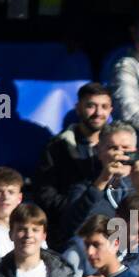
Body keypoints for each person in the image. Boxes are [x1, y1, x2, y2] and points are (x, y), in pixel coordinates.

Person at [34, 82, 114, 233]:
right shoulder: (57, 147)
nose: (98, 112)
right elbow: (45, 193)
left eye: (104, 107)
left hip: (111, 228)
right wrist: (75, 210)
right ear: (78, 108)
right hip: (70, 231)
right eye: (91, 106)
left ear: (111, 110)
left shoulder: (120, 145)